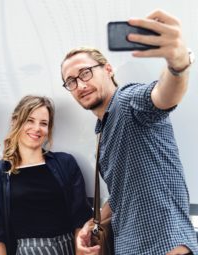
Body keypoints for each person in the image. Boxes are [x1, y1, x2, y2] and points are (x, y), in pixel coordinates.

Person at [60, 9, 198, 255]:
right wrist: (90, 225)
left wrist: (178, 65)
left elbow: (163, 95)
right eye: (71, 81)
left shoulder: (127, 101)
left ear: (109, 69)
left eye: (85, 72)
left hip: (164, 246)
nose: (80, 85)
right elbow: (122, 195)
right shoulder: (102, 131)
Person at [0, 95, 92, 255]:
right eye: (30, 120)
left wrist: (80, 250)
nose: (37, 128)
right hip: (27, 250)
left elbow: (80, 216)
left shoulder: (65, 163)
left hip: (67, 247)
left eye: (43, 123)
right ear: (15, 121)